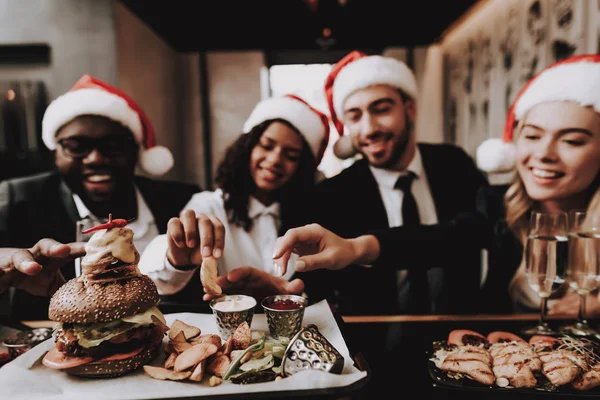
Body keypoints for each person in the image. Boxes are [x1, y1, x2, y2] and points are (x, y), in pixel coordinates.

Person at [272, 54, 600, 317]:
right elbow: (439, 238)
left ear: (409, 109)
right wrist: (355, 248)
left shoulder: (454, 165)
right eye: (532, 136)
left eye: (571, 140)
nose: (544, 154)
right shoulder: (501, 206)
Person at [300, 50, 488, 315]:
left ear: (409, 109)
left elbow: (476, 231)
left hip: (462, 333)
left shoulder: (453, 164)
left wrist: (364, 247)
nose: (369, 128)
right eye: (355, 116)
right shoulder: (333, 194)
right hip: (373, 347)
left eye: (382, 109)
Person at [0, 75, 200, 320]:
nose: (95, 159)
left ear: (136, 150)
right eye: (76, 146)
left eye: (113, 145)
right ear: (55, 152)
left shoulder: (181, 201)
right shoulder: (13, 201)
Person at [138, 94, 330, 304]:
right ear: (247, 147)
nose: (275, 160)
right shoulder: (209, 205)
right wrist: (175, 259)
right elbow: (157, 277)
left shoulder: (311, 217)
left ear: (302, 168)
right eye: (266, 146)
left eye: (291, 155)